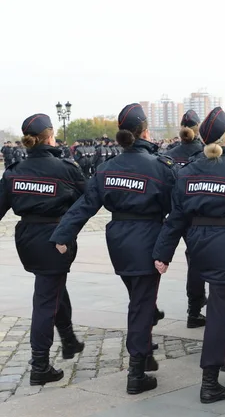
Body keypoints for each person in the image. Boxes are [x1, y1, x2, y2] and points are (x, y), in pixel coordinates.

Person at [50, 103, 177, 395]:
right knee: (142, 304)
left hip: (118, 241)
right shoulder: (159, 167)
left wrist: (62, 234)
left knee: (139, 299)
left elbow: (85, 206)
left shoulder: (107, 169)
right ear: (145, 131)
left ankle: (145, 352)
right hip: (148, 238)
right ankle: (136, 372)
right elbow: (176, 210)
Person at [152, 107, 225, 404]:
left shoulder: (187, 171)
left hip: (199, 245)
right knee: (219, 308)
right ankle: (210, 381)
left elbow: (175, 217)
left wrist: (163, 254)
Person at [0, 114, 86, 386]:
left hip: (27, 240)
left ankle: (69, 339)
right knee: (46, 299)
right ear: (50, 137)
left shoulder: (14, 172)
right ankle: (39, 365)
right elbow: (87, 202)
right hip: (55, 238)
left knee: (53, 285)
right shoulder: (66, 169)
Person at [165, 109, 208, 328]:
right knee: (197, 262)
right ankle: (195, 309)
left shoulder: (170, 154)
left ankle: (194, 309)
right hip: (196, 214)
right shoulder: (203, 152)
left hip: (175, 212)